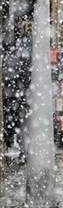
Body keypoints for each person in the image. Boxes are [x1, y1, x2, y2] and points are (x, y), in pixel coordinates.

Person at [2, 35, 32, 164]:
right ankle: (21, 152)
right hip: (16, 96)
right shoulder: (20, 57)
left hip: (14, 96)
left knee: (16, 125)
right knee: (19, 126)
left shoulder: (13, 58)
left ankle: (19, 151)